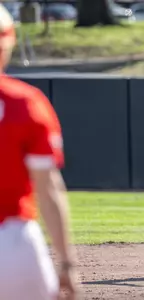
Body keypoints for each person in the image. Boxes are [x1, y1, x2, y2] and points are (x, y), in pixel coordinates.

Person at [0, 4, 78, 299]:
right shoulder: (25, 103)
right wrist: (67, 263)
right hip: (12, 241)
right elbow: (48, 188)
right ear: (7, 42)